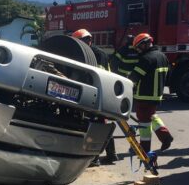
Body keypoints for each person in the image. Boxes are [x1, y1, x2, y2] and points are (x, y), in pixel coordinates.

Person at [72, 29, 117, 162]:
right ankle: (111, 154)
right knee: (102, 123)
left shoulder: (96, 54)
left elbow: (97, 75)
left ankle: (94, 158)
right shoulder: (94, 52)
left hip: (97, 93)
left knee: (95, 125)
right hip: (99, 92)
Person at [128, 33, 173, 153]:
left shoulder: (146, 59)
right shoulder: (162, 56)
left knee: (144, 123)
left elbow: (134, 78)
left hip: (144, 96)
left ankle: (144, 148)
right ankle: (165, 137)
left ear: (144, 45)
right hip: (156, 95)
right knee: (152, 116)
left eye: (138, 47)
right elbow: (169, 76)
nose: (137, 51)